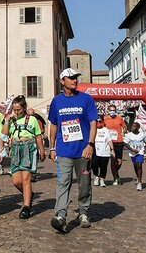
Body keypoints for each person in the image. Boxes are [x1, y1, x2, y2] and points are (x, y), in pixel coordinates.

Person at [48, 68, 98, 233]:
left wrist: (90, 144)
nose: (75, 80)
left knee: (84, 184)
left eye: (76, 77)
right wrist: (52, 146)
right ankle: (60, 215)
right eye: (71, 78)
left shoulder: (86, 99)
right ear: (62, 81)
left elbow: (93, 123)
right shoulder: (56, 101)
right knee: (63, 183)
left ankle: (83, 212)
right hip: (63, 150)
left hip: (83, 150)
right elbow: (54, 124)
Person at [1, 95, 45, 219]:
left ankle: (26, 207)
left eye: (18, 110)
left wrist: (42, 150)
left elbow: (38, 136)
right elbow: (4, 135)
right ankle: (29, 194)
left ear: (24, 108)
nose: (16, 112)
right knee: (16, 181)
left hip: (28, 147)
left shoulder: (32, 120)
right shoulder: (11, 120)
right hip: (16, 148)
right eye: (14, 110)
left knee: (26, 179)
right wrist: (7, 121)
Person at [104, 103, 127, 185]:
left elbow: (125, 127)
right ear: (108, 111)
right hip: (110, 142)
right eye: (111, 110)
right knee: (113, 161)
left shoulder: (120, 118)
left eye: (114, 110)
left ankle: (116, 173)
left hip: (119, 141)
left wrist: (123, 132)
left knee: (119, 162)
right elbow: (101, 127)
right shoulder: (105, 119)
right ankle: (115, 177)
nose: (112, 112)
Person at [123, 122, 146, 191]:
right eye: (132, 126)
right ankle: (138, 177)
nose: (132, 128)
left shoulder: (142, 135)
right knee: (135, 165)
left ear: (138, 128)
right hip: (132, 153)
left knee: (139, 165)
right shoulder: (129, 135)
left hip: (140, 152)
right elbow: (125, 143)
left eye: (134, 126)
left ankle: (139, 183)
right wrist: (132, 150)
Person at [92, 117, 115, 187]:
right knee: (94, 164)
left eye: (100, 121)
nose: (98, 123)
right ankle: (96, 177)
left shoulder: (106, 130)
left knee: (103, 166)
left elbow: (109, 140)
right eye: (97, 121)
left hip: (105, 151)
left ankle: (102, 179)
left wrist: (112, 149)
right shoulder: (93, 129)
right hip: (95, 150)